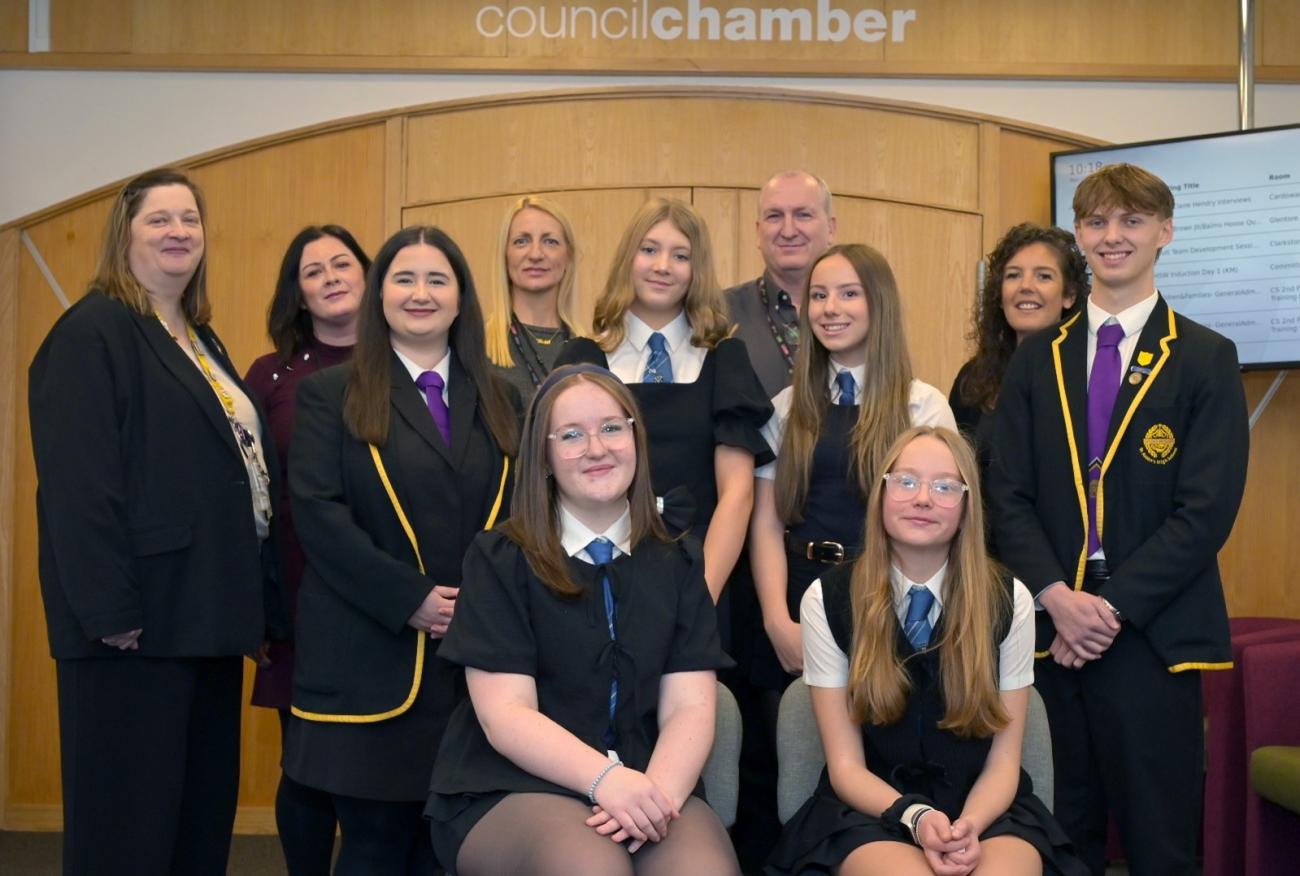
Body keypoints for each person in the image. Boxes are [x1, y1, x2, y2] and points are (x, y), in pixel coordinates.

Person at [990, 163, 1249, 874]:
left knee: (1159, 841)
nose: (1113, 236)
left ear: (1164, 232)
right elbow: (1004, 495)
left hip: (1151, 634)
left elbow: (1207, 512)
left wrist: (1106, 611)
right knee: (1052, 833)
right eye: (1098, 222)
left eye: (1132, 221)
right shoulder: (1038, 358)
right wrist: (1057, 598)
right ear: (1080, 235)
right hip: (1049, 631)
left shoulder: (1205, 358)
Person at [28, 167, 284, 874]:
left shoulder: (199, 339)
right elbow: (80, 489)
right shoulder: (94, 331)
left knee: (193, 832)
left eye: (190, 220)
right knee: (127, 837)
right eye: (159, 220)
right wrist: (108, 608)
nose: (179, 232)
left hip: (202, 621)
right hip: (132, 629)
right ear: (125, 235)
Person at [427, 363, 741, 876]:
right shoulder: (500, 558)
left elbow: (689, 705)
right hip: (516, 783)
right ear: (545, 457)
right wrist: (606, 781)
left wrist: (649, 797)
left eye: (612, 428)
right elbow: (505, 714)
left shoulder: (678, 559)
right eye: (571, 435)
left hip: (649, 779)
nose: (597, 449)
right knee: (589, 867)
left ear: (636, 438)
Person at [285, 225, 520, 874]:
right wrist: (409, 598)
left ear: (461, 297)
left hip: (477, 665)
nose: (421, 293)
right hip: (370, 659)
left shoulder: (507, 397)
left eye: (437, 279)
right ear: (378, 293)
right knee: (376, 847)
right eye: (404, 278)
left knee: (456, 851)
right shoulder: (329, 395)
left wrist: (486, 604)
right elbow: (318, 514)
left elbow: (527, 517)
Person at [767, 426, 1085, 876]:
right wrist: (917, 817)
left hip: (986, 810)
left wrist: (968, 826)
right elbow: (844, 767)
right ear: (881, 493)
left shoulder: (1008, 598)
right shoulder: (827, 599)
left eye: (944, 487)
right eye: (907, 481)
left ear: (967, 506)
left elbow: (1004, 763)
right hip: (872, 810)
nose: (923, 499)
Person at [750, 243, 955, 685]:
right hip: (800, 597)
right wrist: (775, 620)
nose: (830, 308)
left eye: (848, 293)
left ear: (877, 303)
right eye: (819, 295)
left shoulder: (922, 407)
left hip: (889, 598)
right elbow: (766, 523)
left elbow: (945, 523)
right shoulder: (785, 409)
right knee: (799, 744)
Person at [556, 197, 773, 606]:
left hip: (703, 577)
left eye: (680, 255)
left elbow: (738, 493)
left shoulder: (725, 360)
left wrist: (696, 600)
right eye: (649, 249)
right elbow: (561, 489)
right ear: (628, 259)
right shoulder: (583, 358)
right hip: (597, 579)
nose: (662, 266)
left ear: (697, 270)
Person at [244, 224, 370, 874]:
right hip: (297, 595)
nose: (329, 277)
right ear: (297, 294)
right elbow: (251, 498)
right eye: (312, 270)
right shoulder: (269, 375)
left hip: (389, 596)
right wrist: (260, 607)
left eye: (341, 262)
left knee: (381, 773)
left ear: (369, 275)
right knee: (307, 766)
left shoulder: (405, 365)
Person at [948, 223, 1087, 483]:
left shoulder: (1091, 374)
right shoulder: (973, 378)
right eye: (1013, 275)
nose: (1026, 286)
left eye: (1043, 276)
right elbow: (956, 473)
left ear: (1069, 295)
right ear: (999, 296)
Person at [725, 170, 837, 399]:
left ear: (831, 229)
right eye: (774, 216)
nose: (788, 231)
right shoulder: (717, 314)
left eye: (803, 215)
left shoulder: (862, 315)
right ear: (758, 232)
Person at [484, 196, 588, 401]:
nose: (535, 254)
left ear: (568, 257)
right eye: (521, 241)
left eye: (550, 241)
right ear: (505, 255)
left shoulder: (590, 351)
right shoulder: (476, 348)